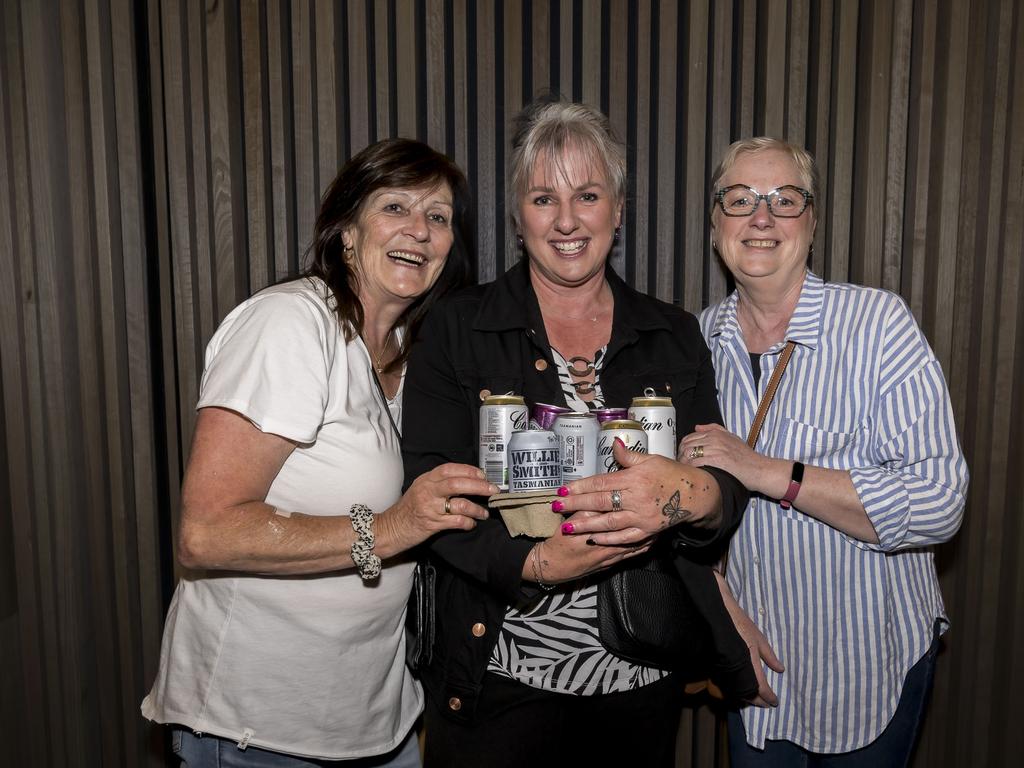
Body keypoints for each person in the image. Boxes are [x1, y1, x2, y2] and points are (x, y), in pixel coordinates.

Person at [401, 100, 755, 768]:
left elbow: (723, 490)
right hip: (497, 676)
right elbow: (427, 485)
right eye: (544, 198)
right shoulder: (457, 327)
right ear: (518, 215)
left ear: (617, 210)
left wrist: (696, 495)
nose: (567, 220)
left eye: (587, 195)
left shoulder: (672, 334)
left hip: (639, 678)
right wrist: (531, 564)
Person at [141, 138, 498, 767]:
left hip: (377, 722)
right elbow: (206, 533)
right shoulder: (289, 326)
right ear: (347, 230)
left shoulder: (414, 362)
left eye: (438, 217)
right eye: (395, 207)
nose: (419, 230)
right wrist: (390, 529)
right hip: (260, 728)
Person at [676, 137, 968, 765]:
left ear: (811, 221)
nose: (762, 217)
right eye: (740, 200)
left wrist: (767, 472)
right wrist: (724, 619)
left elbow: (940, 504)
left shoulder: (878, 326)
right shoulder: (693, 341)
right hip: (758, 663)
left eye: (785, 199)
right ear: (715, 224)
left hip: (870, 662)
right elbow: (677, 510)